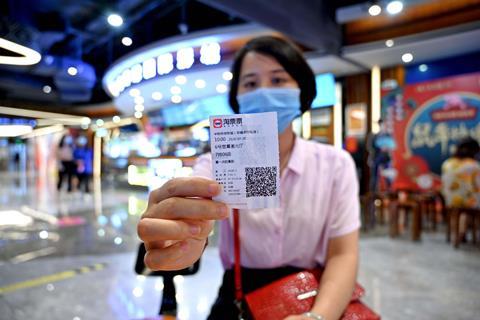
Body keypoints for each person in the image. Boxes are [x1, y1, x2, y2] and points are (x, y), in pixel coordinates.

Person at [137, 36, 360, 320]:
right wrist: (181, 235)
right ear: (237, 96)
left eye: (278, 80)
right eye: (251, 84)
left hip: (313, 291)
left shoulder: (335, 164)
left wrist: (319, 316)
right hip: (239, 294)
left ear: (302, 90)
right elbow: (195, 209)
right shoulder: (218, 162)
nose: (264, 92)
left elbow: (343, 253)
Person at [441, 137, 480, 238]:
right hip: (469, 202)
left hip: (449, 201)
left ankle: (458, 230)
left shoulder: (447, 163)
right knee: (473, 199)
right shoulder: (473, 165)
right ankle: (465, 231)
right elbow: (477, 186)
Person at [367, 119, 395, 192]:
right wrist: (378, 148)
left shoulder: (388, 135)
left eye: (383, 125)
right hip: (376, 157)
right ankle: (373, 193)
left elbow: (393, 146)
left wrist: (387, 148)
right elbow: (369, 147)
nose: (382, 126)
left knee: (388, 176)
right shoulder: (374, 136)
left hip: (386, 158)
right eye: (381, 124)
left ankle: (389, 192)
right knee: (375, 177)